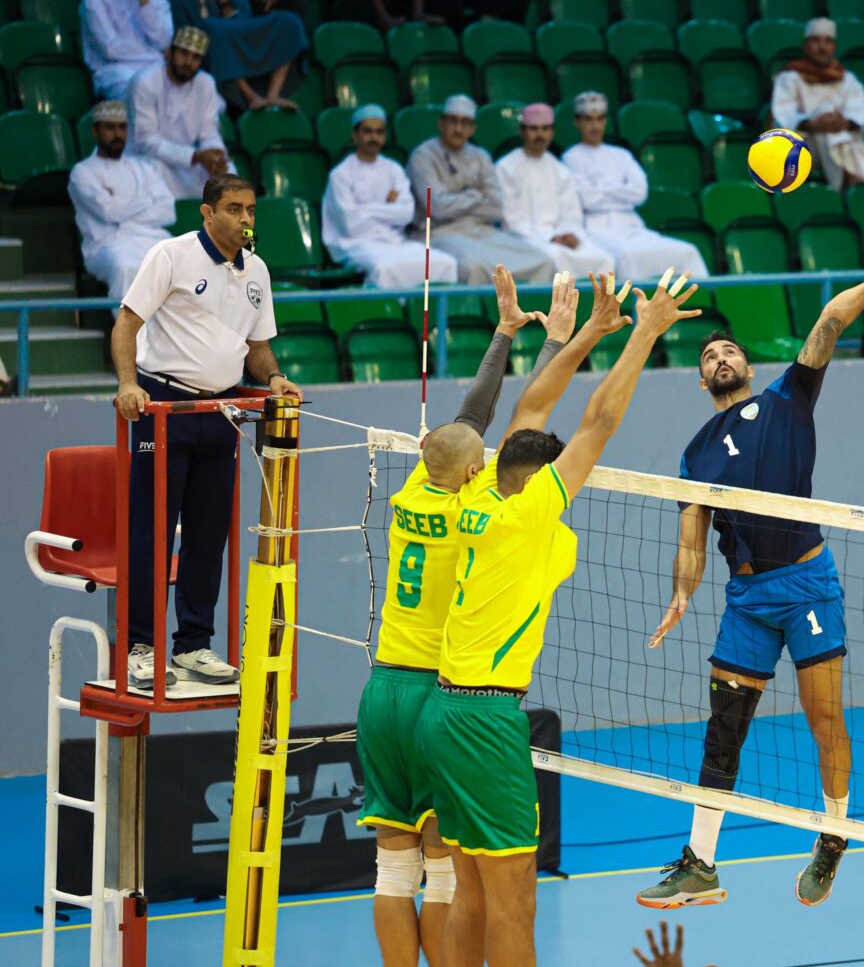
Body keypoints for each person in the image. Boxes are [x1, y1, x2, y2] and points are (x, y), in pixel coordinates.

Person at [416, 268, 703, 967]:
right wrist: (643, 331)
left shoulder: (478, 491)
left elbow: (531, 410)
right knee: (515, 900)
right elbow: (597, 424)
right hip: (486, 720)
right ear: (542, 483)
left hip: (441, 712)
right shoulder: (529, 516)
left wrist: (590, 334)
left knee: (467, 892)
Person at [636, 238, 864, 913]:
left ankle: (834, 832)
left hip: (807, 585)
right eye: (708, 355)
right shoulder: (695, 454)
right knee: (723, 729)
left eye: (728, 350)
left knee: (824, 719)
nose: (719, 356)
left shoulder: (788, 398)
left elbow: (829, 322)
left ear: (747, 365)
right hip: (747, 600)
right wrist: (680, 594)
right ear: (702, 381)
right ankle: (700, 864)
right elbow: (692, 541)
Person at [357, 268, 574, 967]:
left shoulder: (416, 489)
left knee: (392, 871)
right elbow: (522, 425)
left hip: (381, 689)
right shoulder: (474, 512)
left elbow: (468, 421)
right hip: (438, 693)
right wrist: (553, 343)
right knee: (448, 872)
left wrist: (505, 330)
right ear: (476, 472)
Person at [112, 174, 304, 689]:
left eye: (251, 210)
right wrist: (128, 384)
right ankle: (139, 646)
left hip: (221, 411)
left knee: (208, 533)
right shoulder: (171, 256)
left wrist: (275, 378)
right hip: (163, 406)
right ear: (208, 212)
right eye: (235, 209)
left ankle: (192, 645)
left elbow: (257, 348)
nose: (246, 219)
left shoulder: (257, 270)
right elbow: (127, 324)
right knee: (152, 531)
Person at [407, 94, 555, 285]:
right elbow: (437, 208)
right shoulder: (423, 156)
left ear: (472, 129)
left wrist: (455, 202)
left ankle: (533, 306)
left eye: (465, 123)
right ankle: (483, 306)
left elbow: (495, 208)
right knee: (474, 266)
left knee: (542, 260)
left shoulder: (480, 156)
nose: (458, 129)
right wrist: (475, 195)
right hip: (439, 232)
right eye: (453, 121)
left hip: (482, 230)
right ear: (441, 124)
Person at [562, 92, 709, 283]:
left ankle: (698, 301)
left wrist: (602, 190)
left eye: (599, 119)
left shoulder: (621, 155)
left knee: (687, 251)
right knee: (626, 257)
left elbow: (640, 193)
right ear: (577, 123)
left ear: (605, 121)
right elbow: (587, 199)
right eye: (588, 119)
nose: (594, 125)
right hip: (596, 230)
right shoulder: (571, 157)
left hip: (632, 227)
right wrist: (621, 191)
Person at [321, 104, 458, 288]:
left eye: (379, 132)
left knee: (445, 262)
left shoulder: (394, 169)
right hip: (356, 245)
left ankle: (433, 307)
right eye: (368, 132)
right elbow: (350, 225)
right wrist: (388, 209)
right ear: (355, 135)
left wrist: (363, 210)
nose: (374, 138)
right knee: (384, 268)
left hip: (395, 241)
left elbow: (406, 214)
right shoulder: (341, 174)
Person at [167, 0, 308, 112]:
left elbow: (241, 30)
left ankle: (273, 95)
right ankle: (251, 98)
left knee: (289, 22)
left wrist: (224, 0)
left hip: (237, 50)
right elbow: (184, 37)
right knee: (214, 30)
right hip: (203, 59)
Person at [771, 19, 864, 192]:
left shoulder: (846, 79)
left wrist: (841, 122)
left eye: (828, 41)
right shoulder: (790, 77)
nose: (822, 47)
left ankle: (849, 179)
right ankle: (847, 180)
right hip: (803, 147)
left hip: (844, 142)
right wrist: (813, 123)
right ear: (805, 46)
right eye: (816, 41)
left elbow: (859, 111)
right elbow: (783, 114)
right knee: (826, 117)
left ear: (834, 47)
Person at [69, 101, 175, 305]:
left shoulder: (143, 168)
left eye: (122, 127)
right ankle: (130, 327)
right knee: (125, 266)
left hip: (152, 237)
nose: (118, 134)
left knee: (186, 260)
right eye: (110, 128)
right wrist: (147, 199)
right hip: (107, 245)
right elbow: (109, 213)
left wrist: (120, 204)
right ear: (95, 131)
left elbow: (168, 211)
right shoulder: (83, 172)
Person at [496, 103, 615, 279]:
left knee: (604, 259)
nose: (539, 135)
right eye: (533, 129)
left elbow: (571, 214)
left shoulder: (559, 169)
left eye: (545, 129)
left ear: (552, 133)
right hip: (522, 238)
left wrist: (569, 234)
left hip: (559, 236)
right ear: (522, 131)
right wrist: (548, 238)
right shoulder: (505, 167)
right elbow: (511, 220)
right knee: (554, 257)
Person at [128, 26, 234, 200]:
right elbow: (146, 141)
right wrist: (195, 156)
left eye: (196, 58)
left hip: (187, 162)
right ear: (170, 53)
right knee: (154, 170)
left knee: (229, 173)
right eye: (184, 54)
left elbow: (209, 132)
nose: (188, 62)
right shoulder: (145, 82)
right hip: (147, 158)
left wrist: (216, 155)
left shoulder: (205, 83)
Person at [80, 0, 174, 100]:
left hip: (158, 69)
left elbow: (164, 41)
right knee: (143, 94)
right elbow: (110, 49)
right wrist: (154, 53)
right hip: (116, 73)